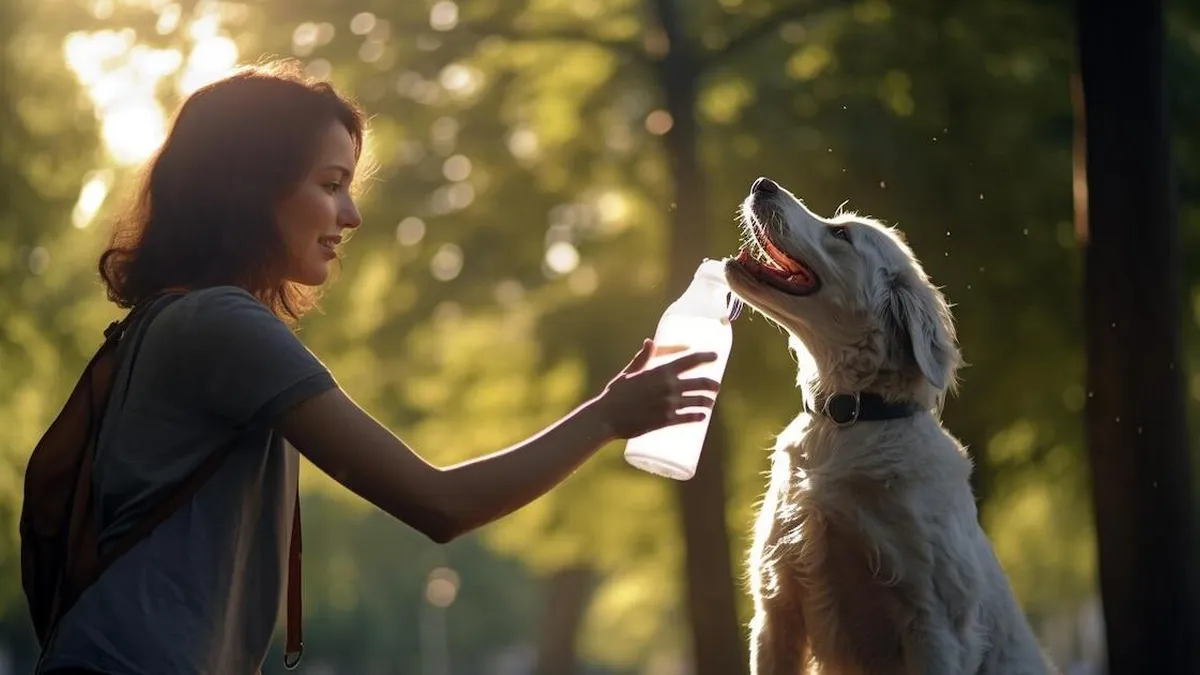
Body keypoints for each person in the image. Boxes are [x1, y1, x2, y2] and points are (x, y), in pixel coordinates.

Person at [36, 61, 720, 675]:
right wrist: (607, 415)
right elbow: (439, 503)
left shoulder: (169, 319)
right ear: (250, 188)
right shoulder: (222, 324)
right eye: (330, 184)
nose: (353, 213)